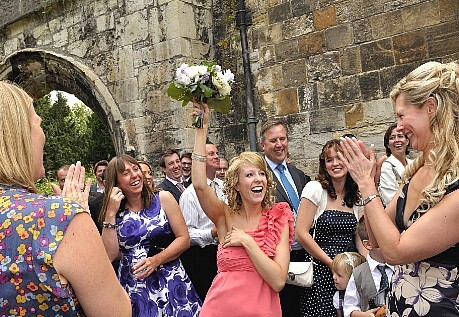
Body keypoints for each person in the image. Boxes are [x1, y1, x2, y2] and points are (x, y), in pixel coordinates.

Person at [0, 81, 131, 316]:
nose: (44, 135)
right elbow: (117, 312)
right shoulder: (59, 219)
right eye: (38, 123)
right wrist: (74, 214)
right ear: (19, 135)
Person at [339, 61, 459, 316]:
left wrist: (367, 184)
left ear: (430, 108)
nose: (399, 126)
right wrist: (367, 184)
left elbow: (396, 251)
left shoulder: (456, 186)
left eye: (402, 115)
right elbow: (378, 246)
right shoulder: (416, 172)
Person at [191, 101, 294, 317]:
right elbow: (200, 185)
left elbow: (277, 281)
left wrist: (247, 241)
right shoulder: (224, 215)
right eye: (250, 175)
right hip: (220, 309)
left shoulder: (279, 218)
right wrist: (201, 130)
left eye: (262, 174)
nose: (258, 179)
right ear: (236, 185)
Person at [99, 154, 201, 316]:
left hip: (169, 278)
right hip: (135, 287)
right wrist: (110, 213)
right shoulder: (113, 211)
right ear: (116, 182)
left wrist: (156, 260)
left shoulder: (163, 198)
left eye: (135, 169)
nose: (134, 175)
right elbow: (109, 254)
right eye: (125, 173)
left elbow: (184, 239)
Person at [296, 139, 362, 317]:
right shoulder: (315, 189)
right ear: (324, 166)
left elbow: (359, 238)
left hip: (348, 274)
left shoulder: (356, 196)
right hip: (320, 270)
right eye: (329, 160)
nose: (335, 164)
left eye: (340, 158)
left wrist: (365, 267)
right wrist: (331, 264)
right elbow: (301, 233)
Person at [259, 119, 311, 317]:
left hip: (303, 254)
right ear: (263, 145)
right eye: (273, 141)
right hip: (276, 257)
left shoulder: (298, 175)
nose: (279, 144)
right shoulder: (259, 176)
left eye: (282, 139)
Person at [179, 140, 224, 301]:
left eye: (217, 153)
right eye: (211, 154)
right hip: (205, 257)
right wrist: (211, 233)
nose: (217, 156)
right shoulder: (189, 195)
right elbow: (186, 234)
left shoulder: (223, 186)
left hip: (227, 251)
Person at [343, 216, 394, 317]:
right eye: (384, 238)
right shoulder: (358, 273)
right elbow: (349, 306)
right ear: (368, 244)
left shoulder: (402, 268)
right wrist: (363, 315)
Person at [378, 123, 412, 206]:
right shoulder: (387, 166)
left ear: (407, 141)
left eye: (400, 136)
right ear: (388, 145)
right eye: (392, 138)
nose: (397, 140)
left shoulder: (413, 163)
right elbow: (390, 200)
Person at [331, 252, 366, 317]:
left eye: (339, 275)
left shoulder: (364, 294)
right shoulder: (338, 297)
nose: (334, 277)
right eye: (333, 273)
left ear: (352, 277)